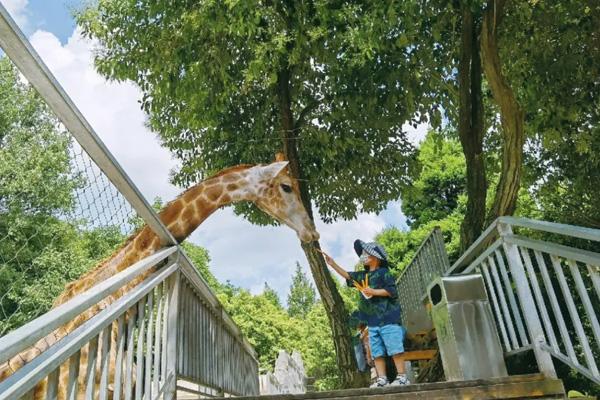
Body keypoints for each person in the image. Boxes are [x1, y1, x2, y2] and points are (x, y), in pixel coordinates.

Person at [319, 240, 409, 387]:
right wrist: (332, 264)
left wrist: (373, 291)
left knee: (395, 348)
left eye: (366, 253)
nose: (363, 256)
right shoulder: (363, 276)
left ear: (375, 257)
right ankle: (382, 379)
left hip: (388, 320)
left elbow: (391, 291)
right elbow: (348, 276)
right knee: (377, 352)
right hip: (372, 322)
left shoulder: (383, 273)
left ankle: (402, 377)